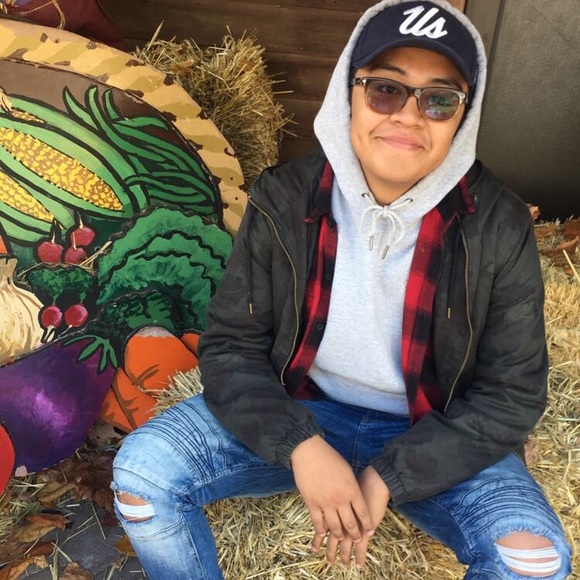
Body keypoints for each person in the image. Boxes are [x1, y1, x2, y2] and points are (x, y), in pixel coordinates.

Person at [111, 1, 572, 578]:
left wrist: (392, 474)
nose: (409, 116)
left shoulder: (499, 224)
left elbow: (512, 394)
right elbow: (231, 345)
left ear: (464, 116)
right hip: (301, 404)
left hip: (433, 426)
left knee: (533, 563)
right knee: (142, 477)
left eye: (439, 100)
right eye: (386, 90)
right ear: (346, 93)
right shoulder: (284, 196)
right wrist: (301, 446)